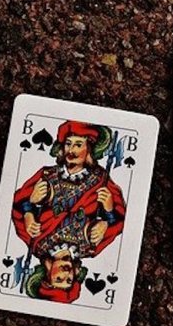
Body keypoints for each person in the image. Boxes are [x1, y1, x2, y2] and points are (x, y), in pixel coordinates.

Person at [12, 121, 125, 302]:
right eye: (69, 280)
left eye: (78, 144)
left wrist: (28, 211)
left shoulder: (35, 242)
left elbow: (17, 205)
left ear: (48, 272)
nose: (71, 150)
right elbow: (118, 221)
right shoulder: (90, 248)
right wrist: (107, 217)